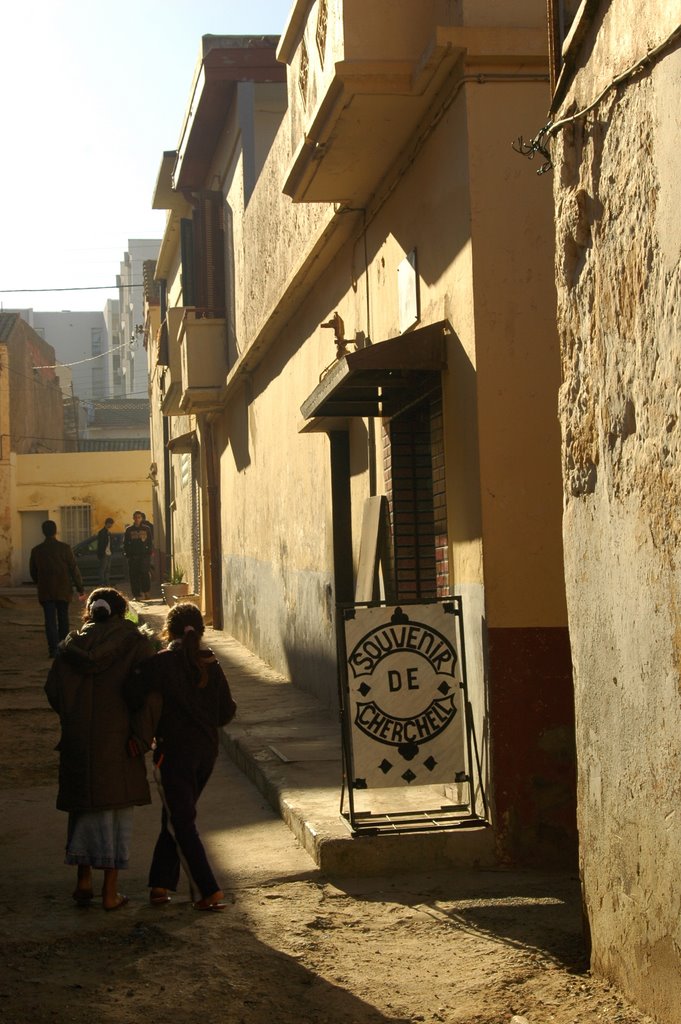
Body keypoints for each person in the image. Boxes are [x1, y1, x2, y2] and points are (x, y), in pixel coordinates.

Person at [44, 588, 159, 911]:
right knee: (115, 812)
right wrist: (141, 735)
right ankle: (110, 892)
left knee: (84, 807)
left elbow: (53, 690)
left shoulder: (71, 646)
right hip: (120, 742)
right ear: (121, 611)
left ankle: (83, 881)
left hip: (79, 741)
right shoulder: (136, 644)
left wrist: (74, 716)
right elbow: (149, 695)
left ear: (91, 613)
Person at [126, 602, 236, 911]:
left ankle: (208, 890)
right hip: (207, 753)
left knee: (181, 821)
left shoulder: (160, 664)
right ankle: (159, 885)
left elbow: (131, 693)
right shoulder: (211, 664)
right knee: (175, 817)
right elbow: (227, 711)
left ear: (168, 631)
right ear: (200, 633)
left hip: (173, 755)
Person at [30, 520, 85, 658]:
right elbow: (74, 569)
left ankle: (53, 649)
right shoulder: (65, 548)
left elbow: (33, 572)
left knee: (49, 621)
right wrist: (80, 588)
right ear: (56, 531)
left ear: (43, 532)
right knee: (63, 619)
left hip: (46, 590)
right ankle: (64, 646)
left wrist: (40, 582)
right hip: (63, 588)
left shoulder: (37, 550)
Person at [123, 510, 152, 600]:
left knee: (145, 575)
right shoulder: (129, 530)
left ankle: (146, 592)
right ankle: (137, 595)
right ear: (133, 518)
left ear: (141, 518)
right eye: (135, 517)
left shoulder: (146, 529)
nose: (137, 519)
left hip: (144, 557)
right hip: (133, 557)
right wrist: (128, 554)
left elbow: (150, 542)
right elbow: (125, 543)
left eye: (139, 517)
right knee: (134, 576)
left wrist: (149, 553)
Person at [96, 517, 115, 585]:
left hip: (109, 553)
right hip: (104, 554)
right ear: (108, 523)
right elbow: (100, 544)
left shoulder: (109, 532)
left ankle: (107, 583)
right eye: (111, 524)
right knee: (103, 570)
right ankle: (102, 583)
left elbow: (110, 543)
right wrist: (101, 554)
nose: (111, 526)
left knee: (107, 570)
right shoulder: (102, 532)